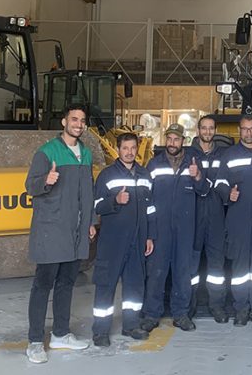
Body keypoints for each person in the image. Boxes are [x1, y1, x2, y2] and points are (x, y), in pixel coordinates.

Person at [23, 104, 96, 364]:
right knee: (43, 285)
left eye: (82, 120)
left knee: (66, 283)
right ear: (64, 122)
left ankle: (61, 334)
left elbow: (88, 192)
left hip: (75, 231)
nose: (78, 124)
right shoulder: (47, 152)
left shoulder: (86, 154)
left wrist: (90, 221)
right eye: (74, 119)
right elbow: (30, 186)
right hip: (52, 229)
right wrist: (46, 181)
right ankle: (34, 341)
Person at [141, 124, 208, 333]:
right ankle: (152, 314)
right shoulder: (154, 164)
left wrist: (197, 176)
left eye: (176, 139)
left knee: (182, 273)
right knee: (156, 273)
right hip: (160, 230)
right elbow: (146, 198)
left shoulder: (193, 163)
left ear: (183, 141)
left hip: (185, 230)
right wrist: (150, 230)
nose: (172, 143)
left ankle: (181, 314)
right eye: (169, 139)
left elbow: (204, 191)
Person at [91, 132, 155, 347]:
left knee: (135, 285)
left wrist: (150, 236)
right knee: (106, 284)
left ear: (137, 149)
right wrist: (115, 200)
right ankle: (100, 331)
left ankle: (131, 325)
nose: (129, 152)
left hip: (138, 239)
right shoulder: (107, 175)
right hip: (113, 241)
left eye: (133, 148)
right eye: (125, 148)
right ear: (118, 150)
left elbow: (151, 209)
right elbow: (97, 206)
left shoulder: (145, 175)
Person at [213, 115, 252, 327]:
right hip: (238, 217)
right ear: (239, 131)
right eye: (245, 129)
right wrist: (227, 193)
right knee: (240, 266)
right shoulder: (230, 155)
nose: (248, 133)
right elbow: (219, 182)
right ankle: (241, 309)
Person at [188, 115, 229, 323]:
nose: (207, 132)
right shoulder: (187, 155)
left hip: (215, 215)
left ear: (215, 130)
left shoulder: (223, 155)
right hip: (193, 216)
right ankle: (188, 305)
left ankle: (217, 306)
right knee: (190, 264)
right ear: (198, 130)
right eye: (204, 128)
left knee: (216, 266)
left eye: (211, 128)